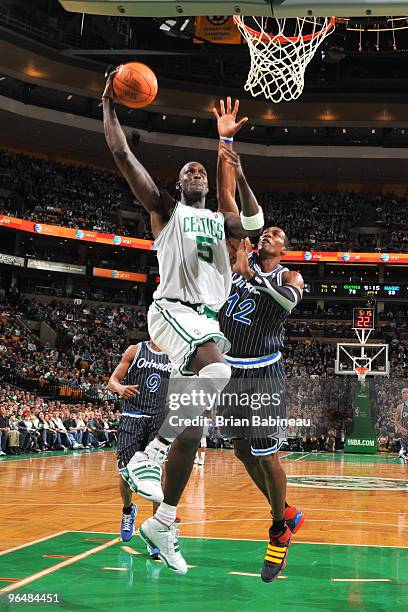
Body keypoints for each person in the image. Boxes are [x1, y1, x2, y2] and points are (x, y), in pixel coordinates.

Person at [103, 78, 264, 574]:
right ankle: (149, 453)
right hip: (171, 309)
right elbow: (124, 156)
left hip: (206, 321)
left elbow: (255, 222)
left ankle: (165, 521)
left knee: (194, 430)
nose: (196, 172)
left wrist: (229, 152)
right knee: (217, 374)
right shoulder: (165, 211)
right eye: (188, 170)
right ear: (179, 185)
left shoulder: (221, 221)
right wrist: (108, 106)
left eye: (201, 169)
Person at [215, 142, 304, 582]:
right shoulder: (238, 263)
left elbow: (287, 304)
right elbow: (229, 202)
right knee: (239, 449)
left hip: (265, 372)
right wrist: (229, 155)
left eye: (276, 235)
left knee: (267, 454)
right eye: (265, 231)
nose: (267, 234)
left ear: (283, 249)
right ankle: (285, 511)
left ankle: (277, 531)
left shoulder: (286, 275)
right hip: (232, 370)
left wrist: (254, 278)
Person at [108, 340, 171, 557]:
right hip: (132, 416)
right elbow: (112, 381)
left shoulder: (175, 353)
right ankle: (128, 510)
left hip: (159, 418)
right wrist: (120, 388)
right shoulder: (136, 350)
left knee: (158, 474)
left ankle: (155, 532)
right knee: (126, 474)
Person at [395, 388, 408, 463]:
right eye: (403, 392)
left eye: (406, 392)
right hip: (405, 434)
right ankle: (403, 451)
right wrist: (400, 428)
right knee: (402, 454)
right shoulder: (400, 407)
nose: (405, 394)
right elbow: (396, 420)